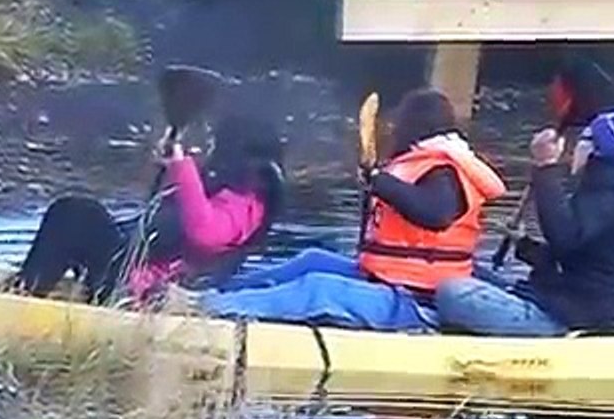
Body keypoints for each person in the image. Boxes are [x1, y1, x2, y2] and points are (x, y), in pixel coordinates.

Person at [195, 88, 507, 331]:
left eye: (399, 122)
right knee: (312, 260)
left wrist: (378, 181)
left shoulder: (445, 170)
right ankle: (215, 291)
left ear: (415, 125)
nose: (393, 128)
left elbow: (436, 214)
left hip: (418, 300)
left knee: (319, 288)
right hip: (385, 279)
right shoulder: (420, 162)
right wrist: (376, 183)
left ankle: (205, 309)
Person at [436, 108, 614, 336]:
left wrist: (546, 167)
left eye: (583, 141)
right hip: (579, 303)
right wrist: (526, 246)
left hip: (573, 318)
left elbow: (564, 237)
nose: (574, 150)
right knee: (459, 268)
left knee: (450, 292)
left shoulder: (612, 194)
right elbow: (580, 257)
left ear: (597, 150)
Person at [15, 114, 285, 305]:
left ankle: (25, 294)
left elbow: (204, 231)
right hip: (130, 271)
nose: (210, 149)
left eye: (216, 144)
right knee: (76, 216)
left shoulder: (245, 205)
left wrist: (183, 165)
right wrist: (170, 166)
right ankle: (30, 285)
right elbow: (167, 216)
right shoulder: (228, 189)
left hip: (134, 288)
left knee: (75, 215)